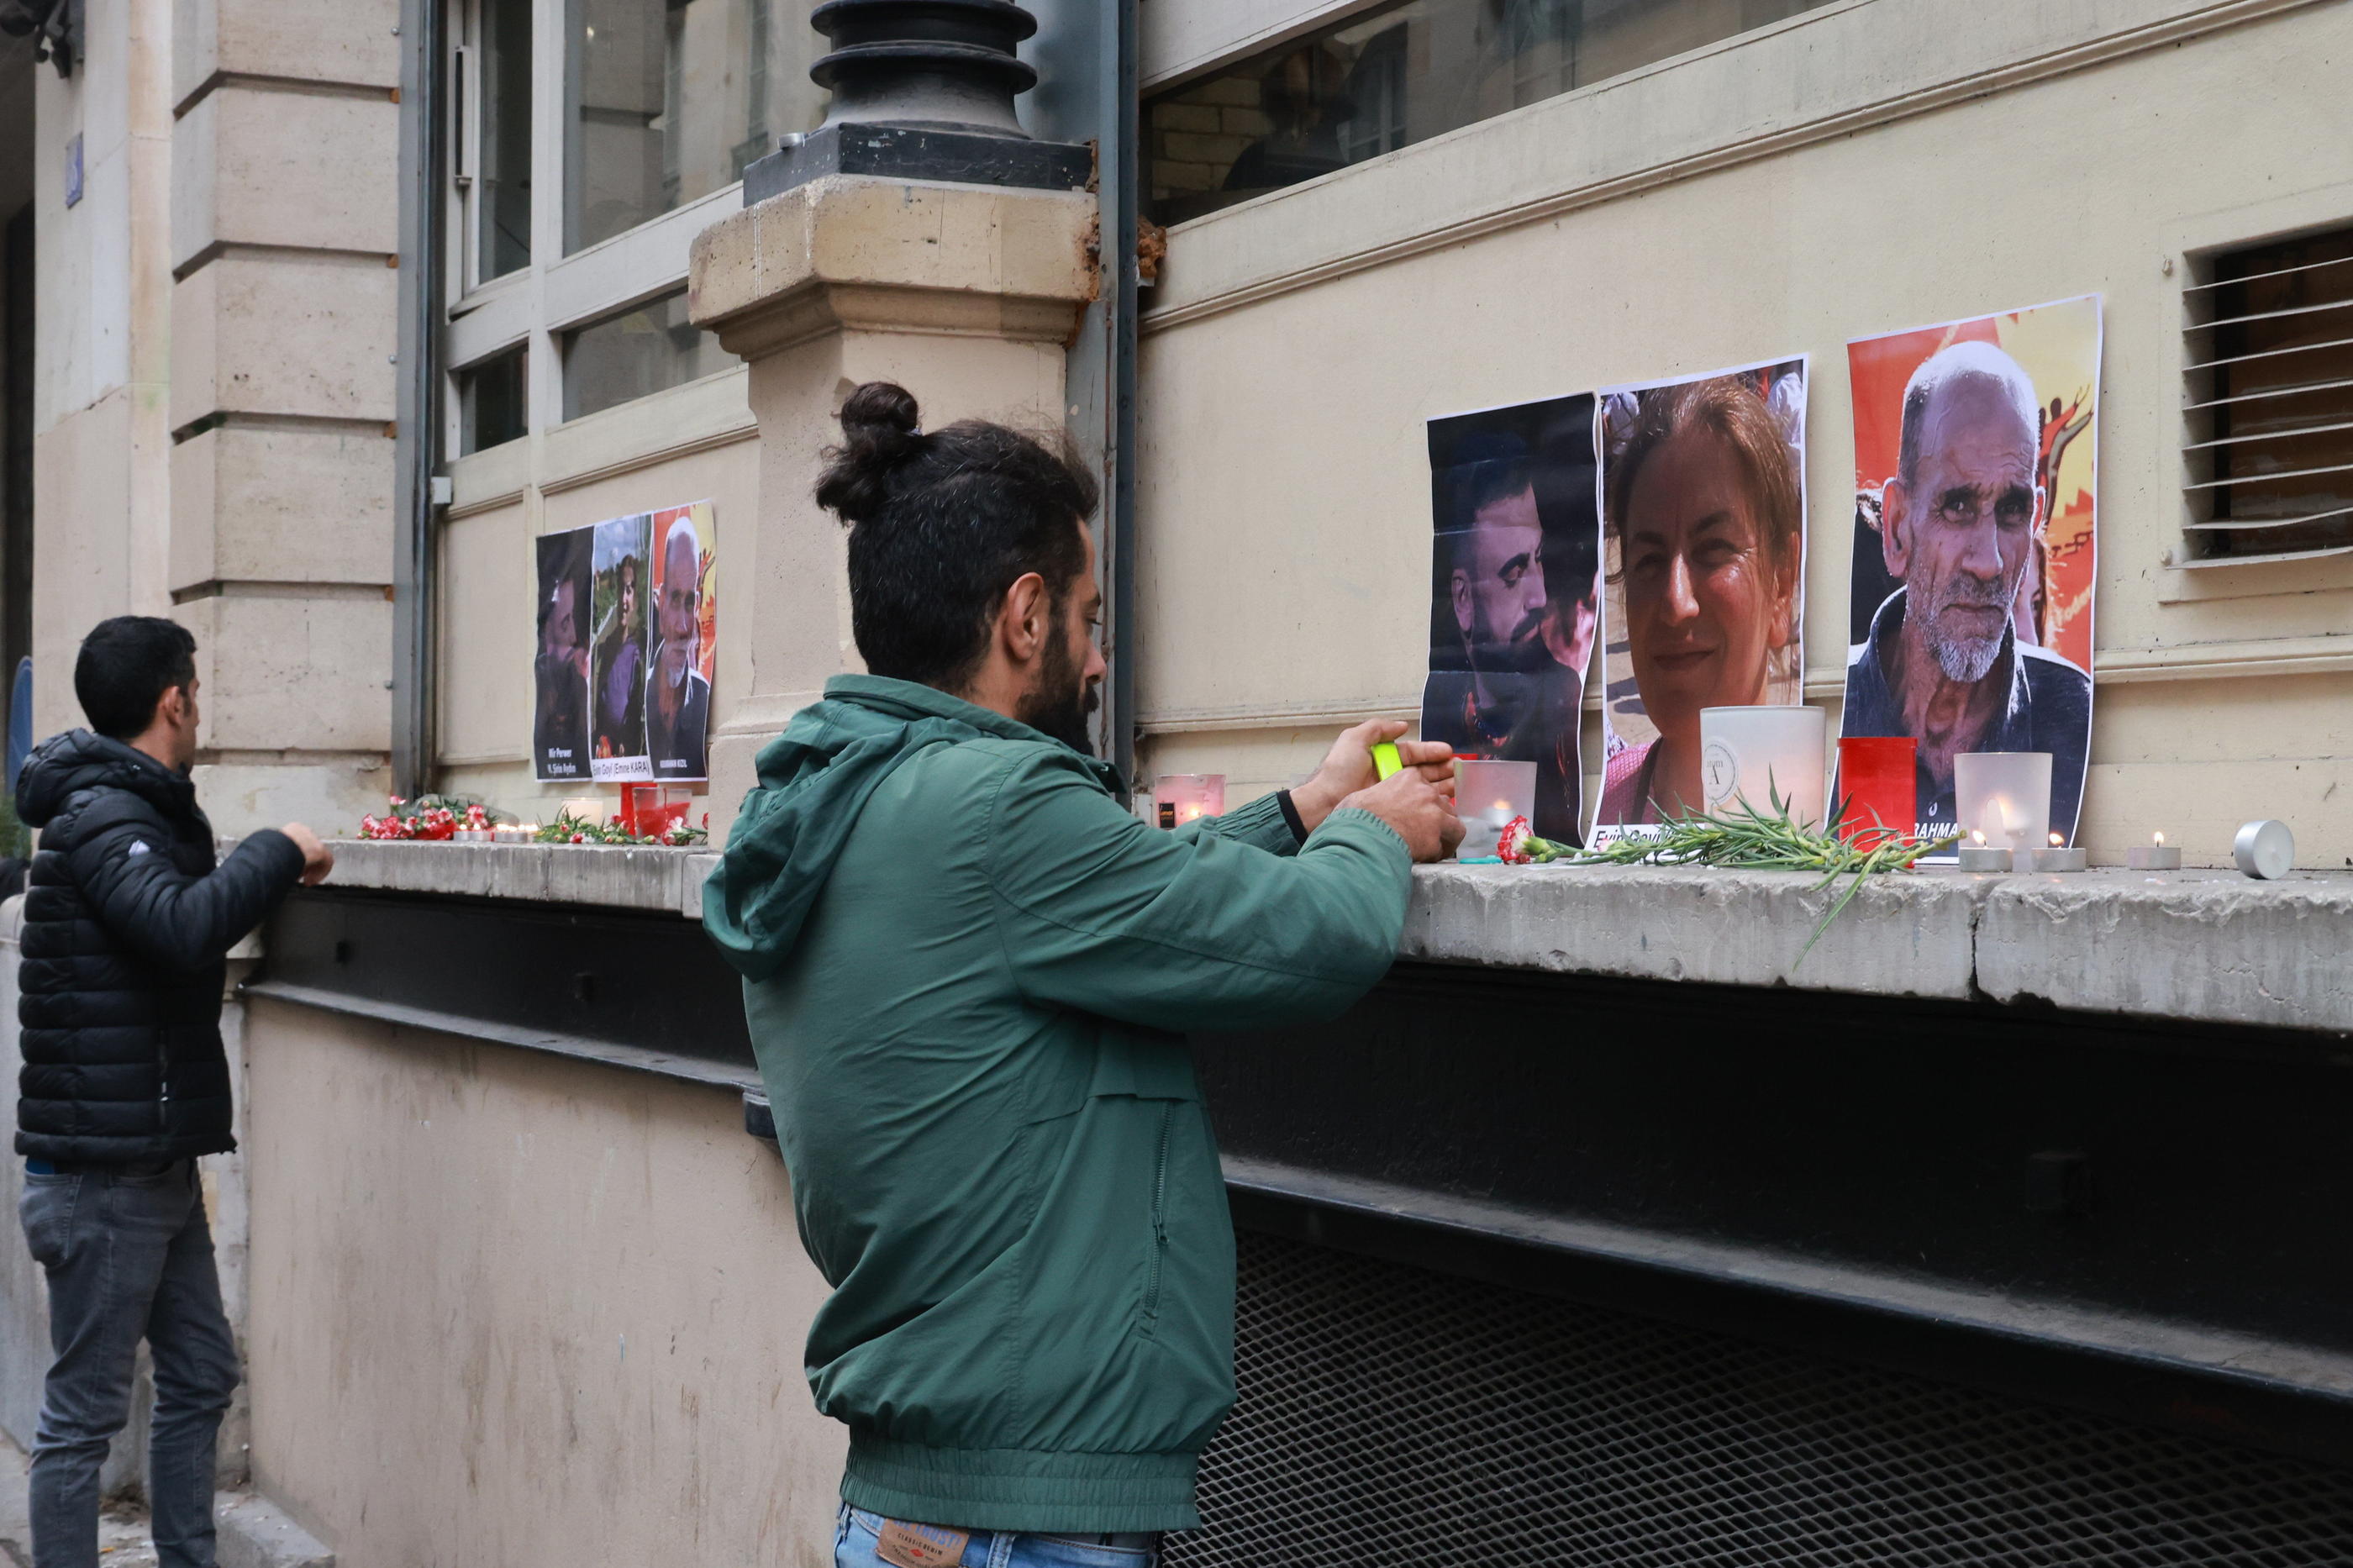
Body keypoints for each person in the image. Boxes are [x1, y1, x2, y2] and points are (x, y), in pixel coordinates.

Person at [703, 383, 1461, 1568]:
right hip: (1025, 1524)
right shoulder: (1000, 806)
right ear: (1023, 616)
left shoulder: (850, 799)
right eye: (1090, 617)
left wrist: (1308, 807)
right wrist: (1377, 830)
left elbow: (1129, 897)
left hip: (932, 1506)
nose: (1100, 655)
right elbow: (1302, 944)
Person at [13, 616, 334, 1568]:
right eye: (196, 689)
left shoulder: (131, 806)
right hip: (103, 1178)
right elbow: (180, 927)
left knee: (199, 1375)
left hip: (148, 1158)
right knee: (82, 1419)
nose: (201, 705)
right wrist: (276, 849)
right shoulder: (107, 815)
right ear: (174, 699)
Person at [1842, 341, 2091, 838]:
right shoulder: (1831, 708)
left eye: (2012, 511)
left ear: (2036, 519)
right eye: (1957, 507)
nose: (1990, 561)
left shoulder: (2073, 714)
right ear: (1896, 529)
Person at [1598, 375, 1803, 823]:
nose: (1676, 603)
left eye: (1714, 550)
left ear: (1781, 584)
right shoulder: (1594, 818)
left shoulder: (1843, 833)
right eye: (1649, 560)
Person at [1419, 457, 1597, 844]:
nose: (1540, 596)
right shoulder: (1444, 717)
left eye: (1538, 560)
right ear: (1463, 600)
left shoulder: (1564, 702)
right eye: (1514, 574)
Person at [646, 516, 710, 780]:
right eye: (674, 599)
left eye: (689, 602)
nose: (683, 626)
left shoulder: (704, 695)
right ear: (660, 602)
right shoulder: (638, 695)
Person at [534, 530, 592, 779]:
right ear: (547, 630)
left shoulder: (577, 682)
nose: (574, 638)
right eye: (565, 624)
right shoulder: (548, 679)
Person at [592, 551, 645, 760]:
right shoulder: (603, 651)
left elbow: (637, 707)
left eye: (630, 590)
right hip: (604, 753)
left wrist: (629, 741)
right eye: (622, 589)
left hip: (630, 754)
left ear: (636, 598)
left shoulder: (640, 649)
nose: (624, 599)